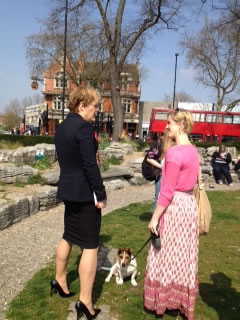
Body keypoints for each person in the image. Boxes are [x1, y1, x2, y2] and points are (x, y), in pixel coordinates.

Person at [53, 86, 107, 320]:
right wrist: (101, 193)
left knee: (68, 235)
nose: (97, 110)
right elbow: (89, 165)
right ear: (81, 105)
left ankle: (60, 279)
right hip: (85, 194)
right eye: (94, 106)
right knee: (90, 246)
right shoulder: (84, 129)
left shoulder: (62, 127)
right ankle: (85, 301)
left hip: (67, 189)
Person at [144, 109, 199, 320]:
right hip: (188, 205)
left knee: (164, 253)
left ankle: (164, 300)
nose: (166, 127)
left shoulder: (175, 153)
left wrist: (155, 217)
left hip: (175, 206)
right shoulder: (192, 150)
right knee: (183, 256)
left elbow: (166, 191)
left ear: (181, 126)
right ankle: (178, 301)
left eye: (169, 124)